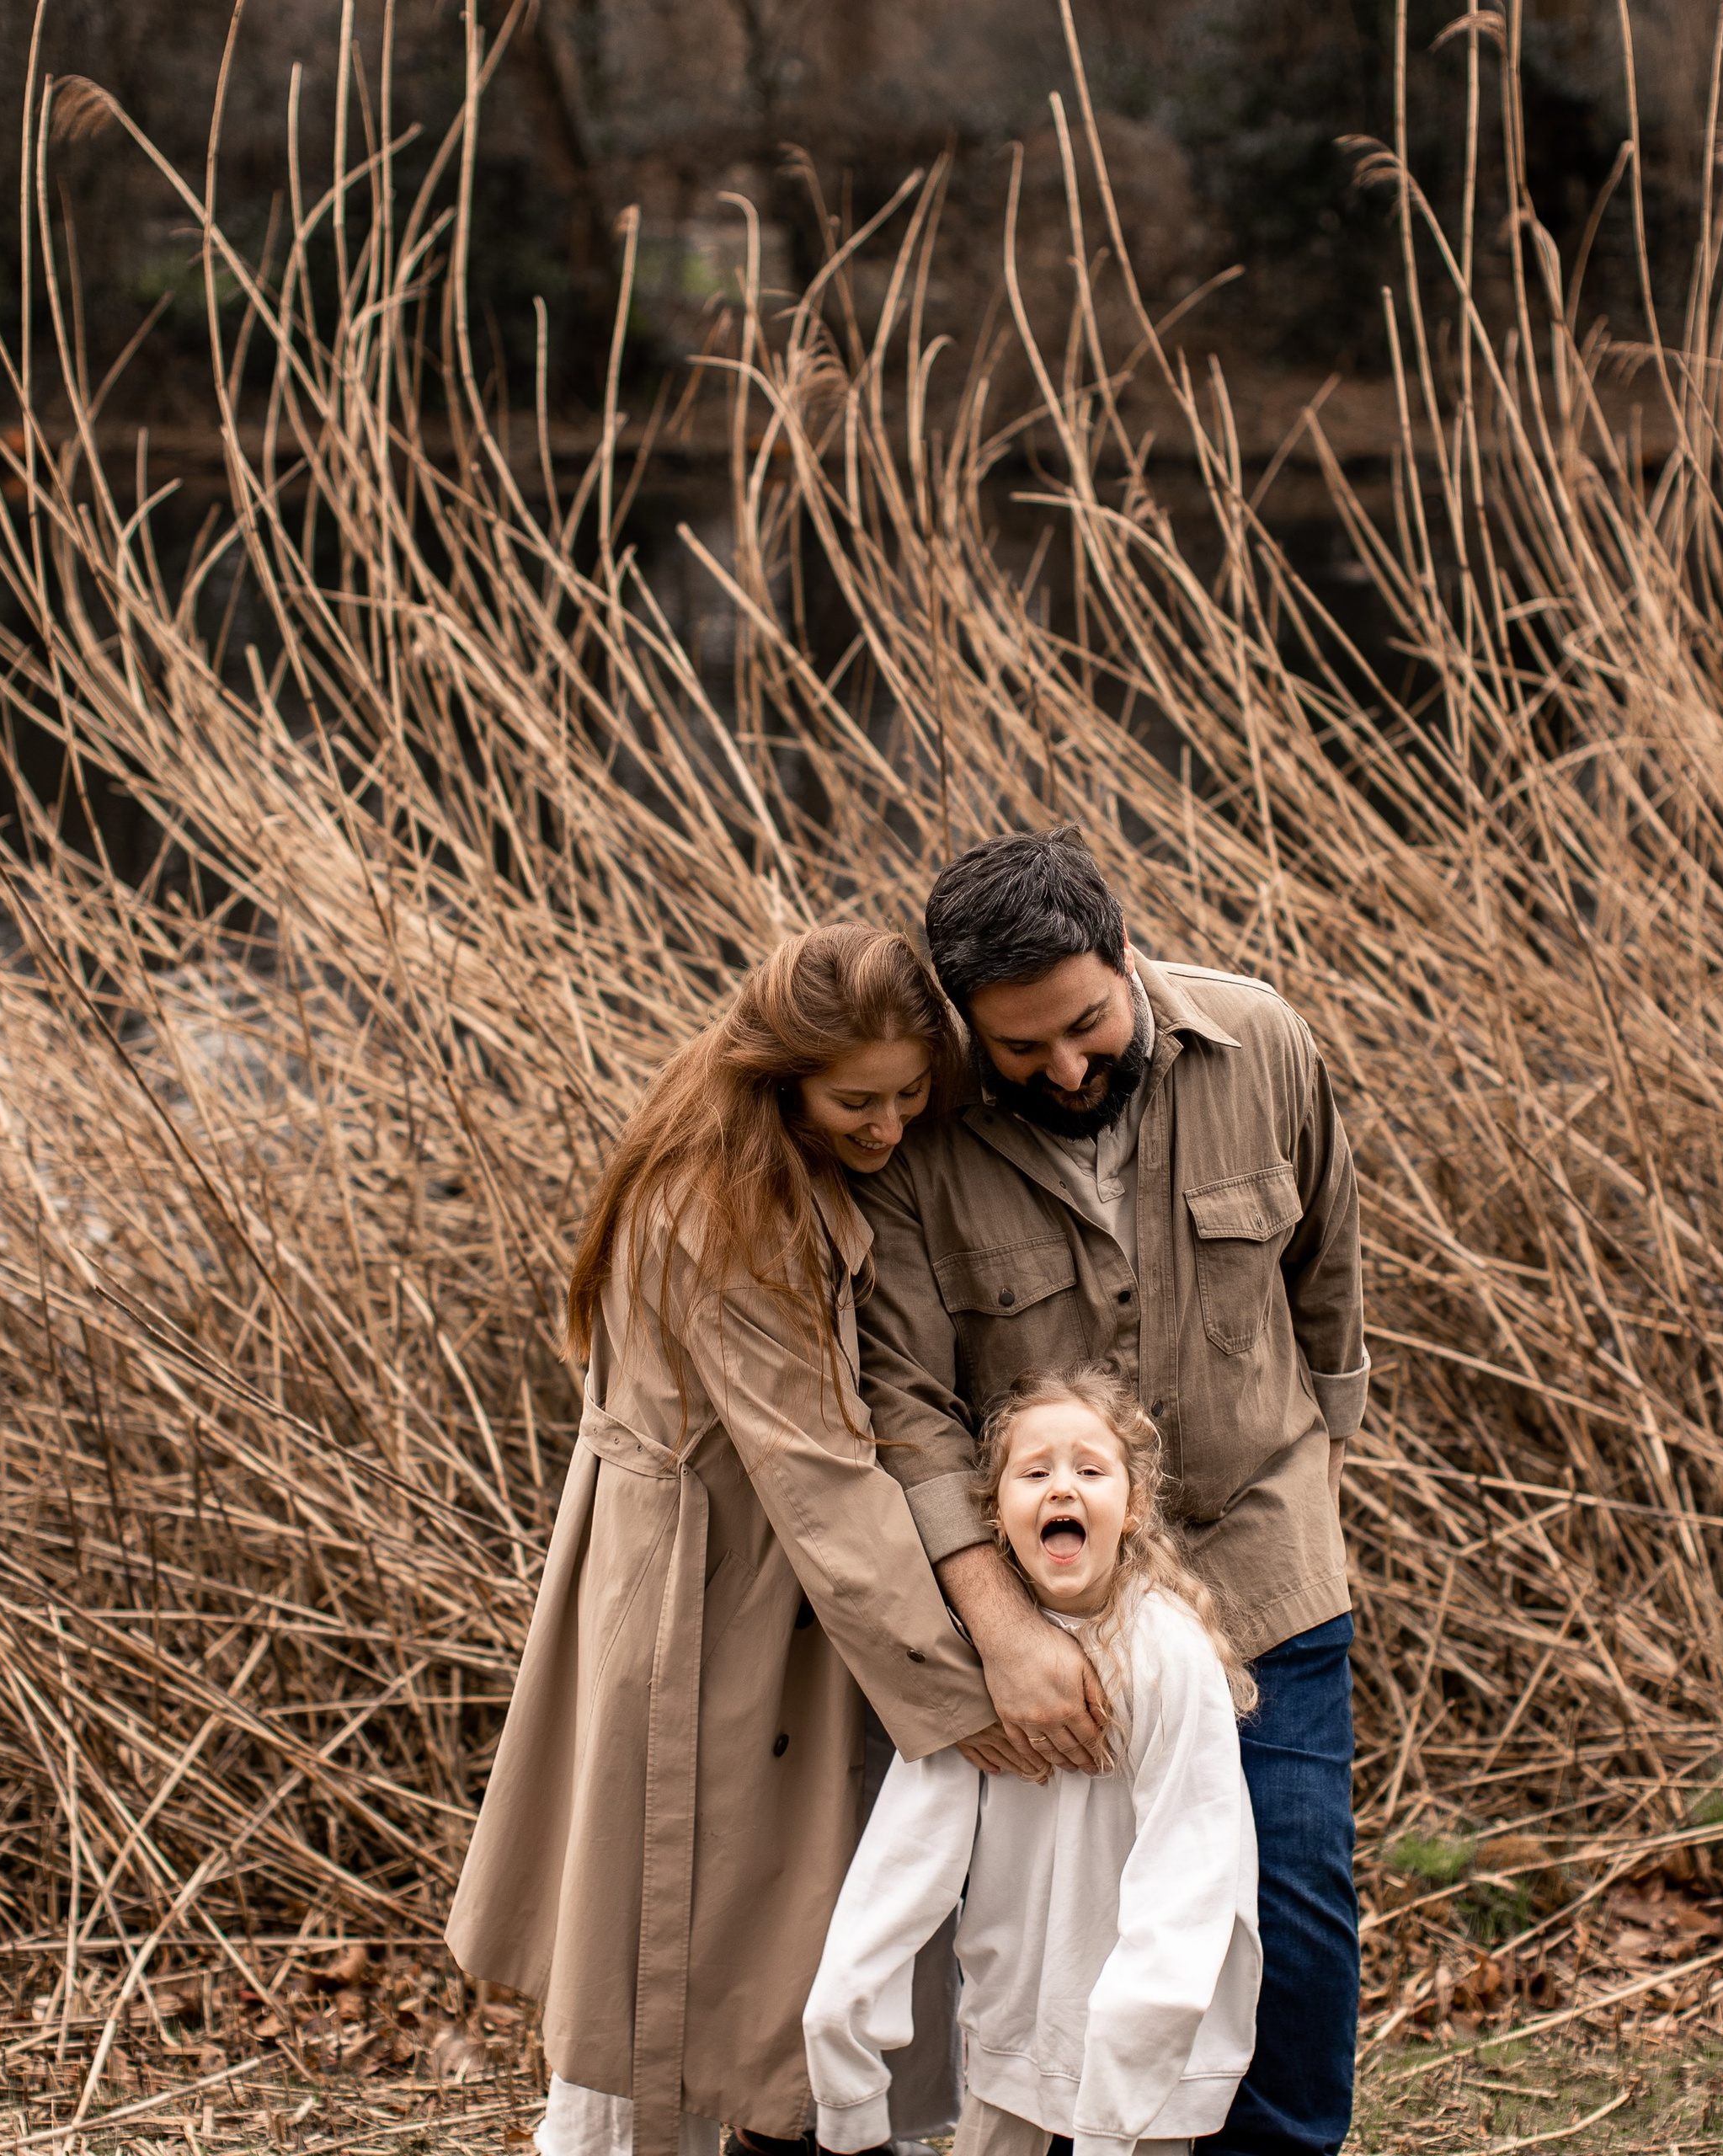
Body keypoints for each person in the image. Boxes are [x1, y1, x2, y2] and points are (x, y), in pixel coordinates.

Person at [446, 923, 1012, 2156]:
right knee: (684, 1943)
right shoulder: (725, 1204)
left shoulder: (769, 1152)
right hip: (712, 1601)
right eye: (856, 1099)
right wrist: (971, 1694)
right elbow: (818, 1473)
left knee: (738, 1942)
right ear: (781, 1075)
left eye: (913, 1092)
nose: (889, 1124)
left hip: (756, 1584)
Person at [853, 827, 1370, 2156]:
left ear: (1125, 949)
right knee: (1059, 1939)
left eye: (1086, 1023)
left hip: (1267, 1565)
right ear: (971, 1030)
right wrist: (1001, 1623)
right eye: (1023, 1050)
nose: (1066, 1068)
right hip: (1056, 1609)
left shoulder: (1268, 1046)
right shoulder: (927, 1138)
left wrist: (1319, 1470)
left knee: (1294, 1908)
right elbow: (907, 1400)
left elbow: (1327, 1283)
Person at [803, 1368, 1262, 2156]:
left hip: (1145, 2065)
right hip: (1014, 2024)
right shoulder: (980, 1666)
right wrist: (841, 2030)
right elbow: (907, 1856)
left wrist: (1125, 2067)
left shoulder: (1168, 1656)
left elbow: (1190, 1872)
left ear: (1135, 1504)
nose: (1062, 1488)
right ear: (993, 1511)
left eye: (1090, 1469)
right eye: (1035, 1471)